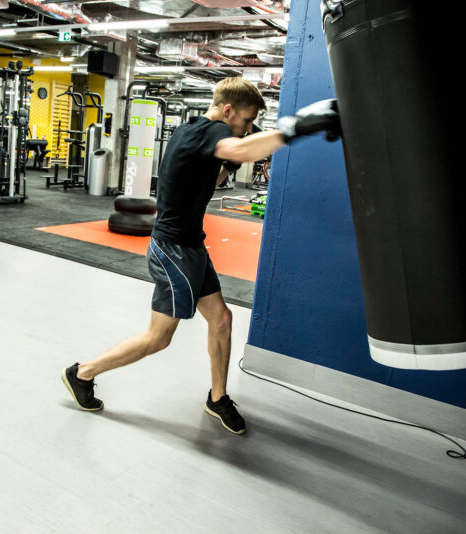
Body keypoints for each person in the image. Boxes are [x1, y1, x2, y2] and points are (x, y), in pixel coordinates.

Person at [61, 77, 340, 435]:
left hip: (190, 246)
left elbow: (209, 175)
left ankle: (218, 398)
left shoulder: (190, 131)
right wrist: (298, 127)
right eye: (246, 120)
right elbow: (237, 150)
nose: (247, 128)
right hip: (173, 250)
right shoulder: (211, 131)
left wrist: (230, 165)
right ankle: (82, 373)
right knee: (158, 338)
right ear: (227, 111)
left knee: (221, 320)